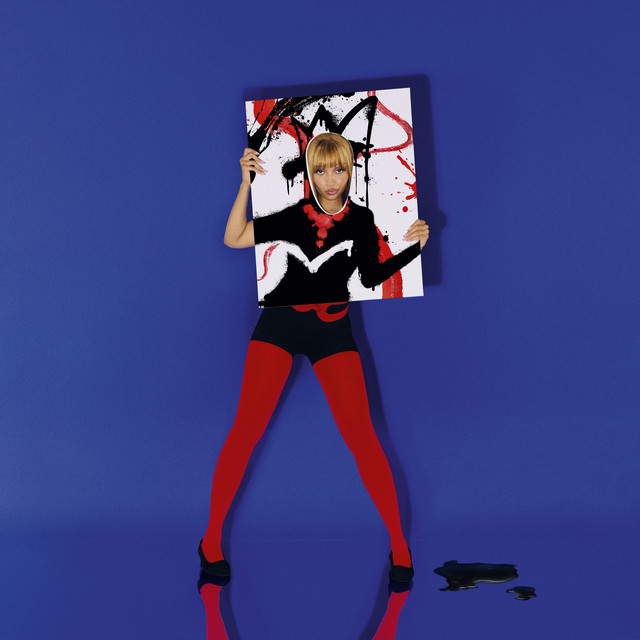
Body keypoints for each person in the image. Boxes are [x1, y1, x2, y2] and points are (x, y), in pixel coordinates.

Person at [198, 133, 429, 583]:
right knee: (245, 431)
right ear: (310, 172)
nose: (330, 179)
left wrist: (411, 249)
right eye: (320, 170)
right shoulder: (295, 214)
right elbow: (234, 237)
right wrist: (245, 183)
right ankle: (209, 541)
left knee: (362, 436)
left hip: (333, 332)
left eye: (338, 169)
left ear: (350, 170)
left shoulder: (361, 220)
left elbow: (371, 275)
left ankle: (399, 547)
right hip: (278, 326)